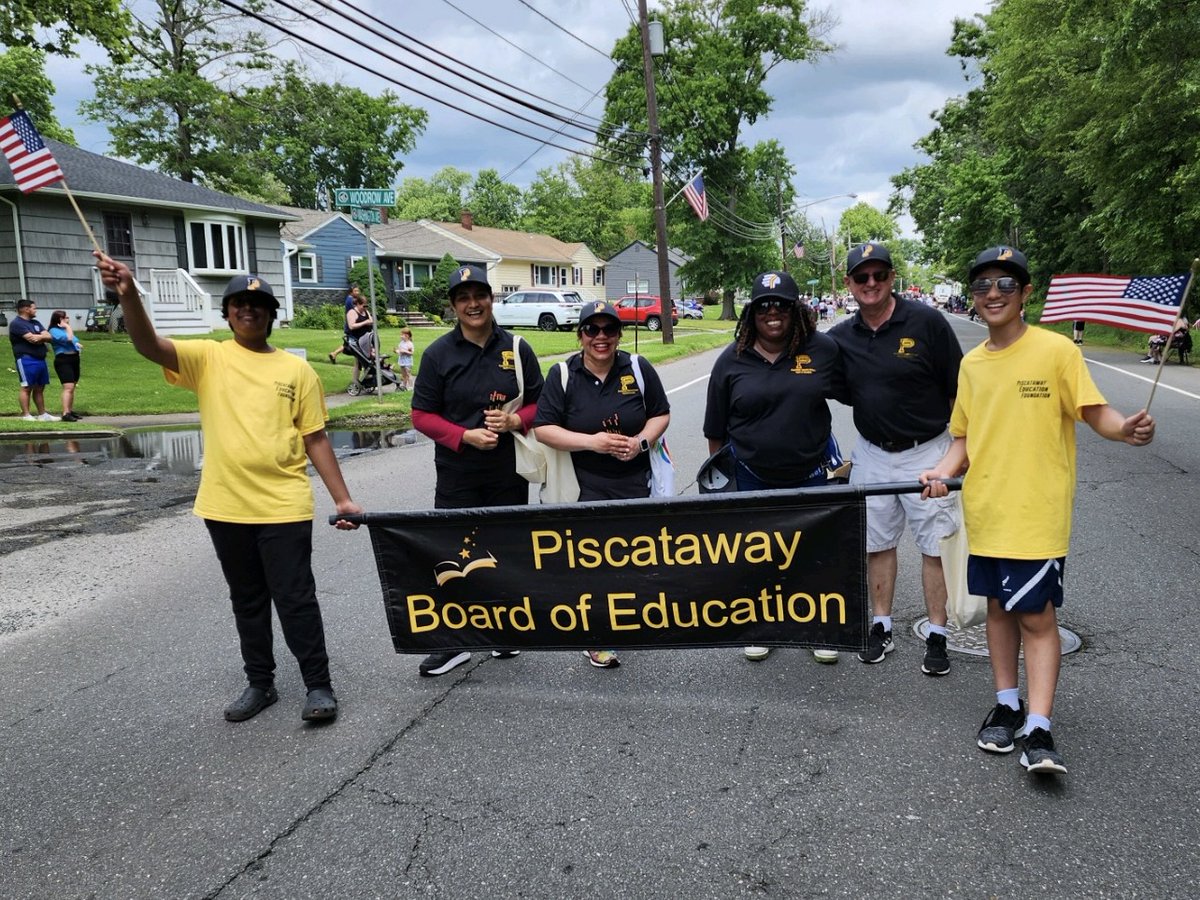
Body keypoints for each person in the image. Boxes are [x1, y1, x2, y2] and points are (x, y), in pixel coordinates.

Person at [94, 251, 364, 724]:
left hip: (284, 505)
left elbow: (316, 438)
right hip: (225, 505)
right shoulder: (208, 357)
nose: (248, 310)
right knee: (248, 599)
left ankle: (318, 686)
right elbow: (148, 345)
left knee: (296, 598)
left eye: (258, 305)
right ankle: (260, 684)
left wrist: (342, 497)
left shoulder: (297, 372)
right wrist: (129, 294)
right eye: (239, 303)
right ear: (227, 312)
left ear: (271, 315)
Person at [921, 245, 1155, 775]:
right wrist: (941, 471)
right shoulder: (973, 365)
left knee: (1035, 615)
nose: (993, 294)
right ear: (973, 298)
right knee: (999, 611)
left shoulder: (1056, 352)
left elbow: (1095, 412)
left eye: (1006, 284)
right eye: (983, 286)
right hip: (986, 510)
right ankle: (1007, 703)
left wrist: (1125, 429)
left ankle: (1040, 725)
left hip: (1036, 514)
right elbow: (962, 437)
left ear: (1027, 294)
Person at [828, 242, 963, 676]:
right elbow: (831, 386)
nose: (871, 283)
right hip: (872, 452)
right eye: (861, 277)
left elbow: (959, 389)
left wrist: (962, 452)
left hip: (928, 449)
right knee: (877, 543)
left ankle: (938, 633)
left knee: (935, 545)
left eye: (879, 275)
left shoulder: (926, 322)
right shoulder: (841, 338)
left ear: (892, 278)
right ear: (848, 284)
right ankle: (880, 624)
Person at [703, 271, 847, 665]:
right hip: (751, 473)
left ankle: (820, 628)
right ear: (751, 313)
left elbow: (861, 394)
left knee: (813, 552)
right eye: (763, 305)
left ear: (795, 310)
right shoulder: (730, 361)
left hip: (811, 471)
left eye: (781, 304)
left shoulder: (823, 350)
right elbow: (715, 429)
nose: (772, 312)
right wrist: (724, 481)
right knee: (756, 553)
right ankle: (762, 625)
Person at [410, 264, 544, 677]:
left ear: (491, 298)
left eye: (479, 295)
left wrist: (515, 421)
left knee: (502, 548)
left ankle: (503, 630)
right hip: (458, 471)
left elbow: (542, 404)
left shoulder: (517, 348)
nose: (473, 304)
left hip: (507, 470)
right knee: (453, 553)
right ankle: (455, 641)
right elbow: (420, 415)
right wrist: (464, 437)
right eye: (464, 298)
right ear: (453, 306)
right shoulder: (438, 355)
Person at [533, 301, 671, 669]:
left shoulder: (637, 367)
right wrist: (592, 441)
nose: (601, 337)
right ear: (580, 335)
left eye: (609, 329)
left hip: (635, 480)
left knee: (633, 557)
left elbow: (661, 413)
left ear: (619, 333)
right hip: (584, 484)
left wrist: (640, 441)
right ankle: (597, 636)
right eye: (592, 330)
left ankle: (628, 619)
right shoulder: (563, 374)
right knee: (592, 562)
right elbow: (543, 428)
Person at [9, 298, 59, 421]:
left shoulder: (35, 323)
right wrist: (42, 337)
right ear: (26, 309)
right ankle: (26, 415)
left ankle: (42, 415)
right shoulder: (17, 323)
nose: (35, 310)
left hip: (40, 359)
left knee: (40, 387)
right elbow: (32, 339)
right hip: (26, 359)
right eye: (33, 308)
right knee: (26, 387)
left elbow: (49, 336)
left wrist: (41, 337)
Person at [48, 310, 83, 421]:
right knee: (68, 387)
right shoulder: (53, 330)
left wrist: (77, 344)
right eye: (65, 318)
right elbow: (68, 338)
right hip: (63, 359)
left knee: (73, 386)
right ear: (59, 319)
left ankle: (70, 410)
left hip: (74, 359)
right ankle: (65, 413)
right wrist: (68, 327)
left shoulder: (65, 329)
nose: (67, 319)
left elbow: (74, 340)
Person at [328, 285, 362, 365]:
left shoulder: (350, 299)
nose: (357, 292)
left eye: (358, 291)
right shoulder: (350, 301)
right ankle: (358, 360)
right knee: (352, 344)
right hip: (351, 326)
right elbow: (355, 312)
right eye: (355, 291)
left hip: (350, 326)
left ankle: (334, 354)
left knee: (348, 344)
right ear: (351, 292)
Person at [345, 292, 374, 385]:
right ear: (357, 304)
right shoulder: (352, 312)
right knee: (359, 361)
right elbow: (352, 326)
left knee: (369, 359)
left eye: (366, 306)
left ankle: (367, 379)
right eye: (363, 306)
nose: (364, 308)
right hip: (355, 340)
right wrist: (365, 322)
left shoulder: (366, 311)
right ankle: (355, 381)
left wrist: (368, 321)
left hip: (366, 340)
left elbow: (371, 321)